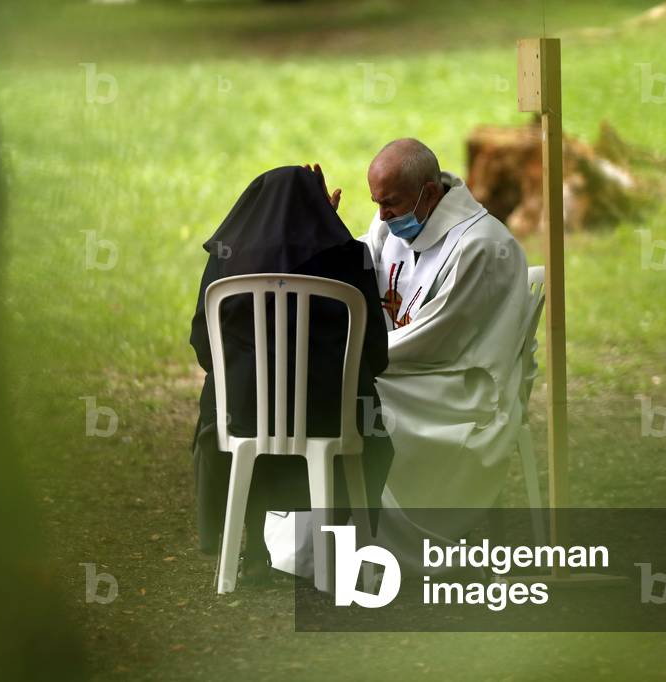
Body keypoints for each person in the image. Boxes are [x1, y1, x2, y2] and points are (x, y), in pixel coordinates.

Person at [189, 165, 393, 582]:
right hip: (330, 418)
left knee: (222, 400)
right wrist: (326, 227)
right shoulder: (350, 256)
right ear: (322, 209)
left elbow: (204, 349)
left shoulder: (225, 259)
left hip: (244, 420)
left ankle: (256, 551)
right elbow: (376, 352)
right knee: (370, 423)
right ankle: (342, 549)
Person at [358, 138, 530, 572]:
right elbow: (356, 274)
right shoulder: (389, 226)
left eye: (390, 203)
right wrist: (322, 231)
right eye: (376, 203)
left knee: (352, 400)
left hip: (459, 388)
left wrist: (355, 357)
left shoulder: (482, 245)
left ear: (430, 193)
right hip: (409, 371)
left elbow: (437, 340)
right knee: (341, 393)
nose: (381, 216)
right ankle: (340, 539)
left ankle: (382, 545)